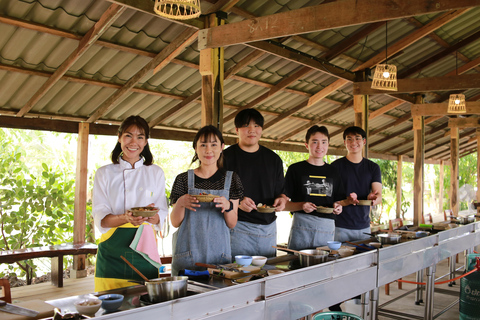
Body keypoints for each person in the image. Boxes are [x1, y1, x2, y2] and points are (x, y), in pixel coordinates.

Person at [92, 115, 168, 292]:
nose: (134, 142)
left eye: (140, 137)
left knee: (145, 304)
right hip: (112, 249)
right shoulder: (104, 173)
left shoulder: (155, 172)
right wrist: (125, 217)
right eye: (128, 135)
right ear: (119, 137)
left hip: (145, 248)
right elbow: (101, 218)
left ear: (146, 142)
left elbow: (161, 215)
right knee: (109, 306)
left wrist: (152, 216)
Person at [170, 125, 244, 276]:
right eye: (203, 145)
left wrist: (228, 206)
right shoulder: (183, 179)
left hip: (219, 257)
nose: (208, 150)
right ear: (196, 148)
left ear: (222, 147)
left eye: (213, 144)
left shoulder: (232, 180)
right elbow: (175, 222)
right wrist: (180, 203)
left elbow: (232, 223)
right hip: (187, 256)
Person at [223, 108, 287, 258]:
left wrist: (282, 200)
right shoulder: (225, 157)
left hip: (268, 228)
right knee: (239, 275)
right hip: (238, 227)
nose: (252, 130)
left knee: (267, 274)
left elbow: (281, 192)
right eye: (246, 126)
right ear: (237, 130)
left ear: (262, 130)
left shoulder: (273, 159)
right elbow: (216, 192)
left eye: (257, 126)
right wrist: (237, 202)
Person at [284, 125, 355, 250]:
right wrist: (301, 206)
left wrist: (339, 207)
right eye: (315, 142)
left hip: (326, 226)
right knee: (298, 263)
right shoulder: (295, 169)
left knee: (323, 265)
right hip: (302, 224)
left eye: (323, 142)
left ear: (328, 145)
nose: (319, 146)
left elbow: (339, 201)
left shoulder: (334, 171)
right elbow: (283, 205)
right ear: (307, 145)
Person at [332, 126, 382, 242]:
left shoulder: (373, 167)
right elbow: (330, 198)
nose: (353, 142)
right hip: (340, 226)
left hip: (364, 226)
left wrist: (373, 198)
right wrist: (346, 201)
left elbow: (379, 195)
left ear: (364, 141)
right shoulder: (335, 167)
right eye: (349, 139)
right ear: (344, 143)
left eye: (357, 138)